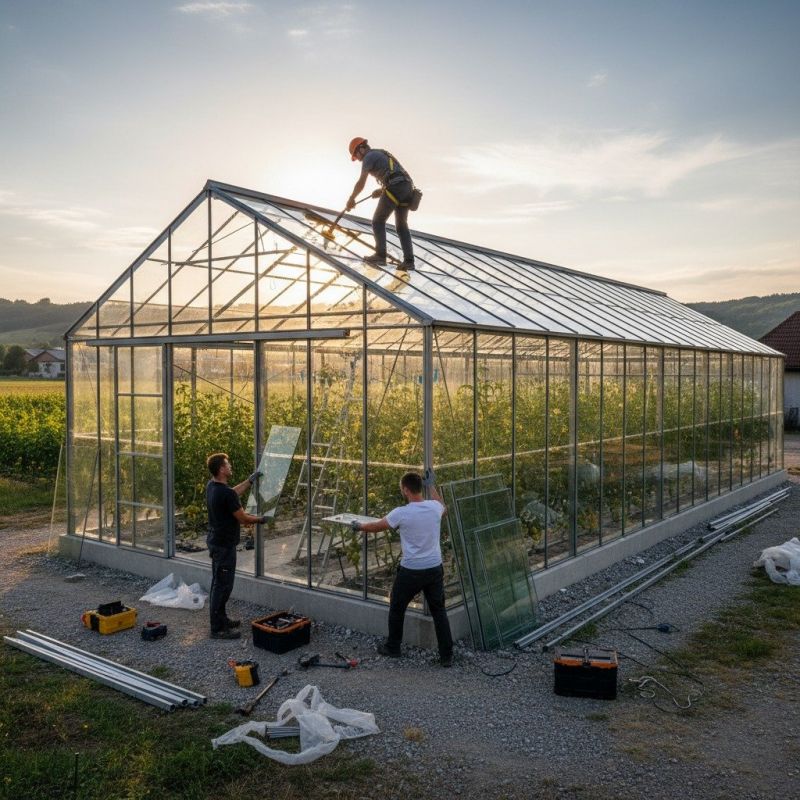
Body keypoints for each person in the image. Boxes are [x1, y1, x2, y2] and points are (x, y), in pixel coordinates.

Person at [351, 470, 453, 667]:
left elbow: (377, 526)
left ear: (406, 490)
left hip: (411, 571)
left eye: (401, 489)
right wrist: (431, 485)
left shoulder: (401, 513)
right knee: (439, 611)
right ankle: (446, 655)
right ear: (419, 488)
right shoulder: (434, 508)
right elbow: (444, 508)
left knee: (397, 606)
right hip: (434, 568)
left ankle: (393, 647)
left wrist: (359, 526)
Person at [205, 453, 267, 640]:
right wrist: (261, 519)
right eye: (228, 464)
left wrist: (249, 482)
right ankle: (217, 628)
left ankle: (222, 619)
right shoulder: (225, 493)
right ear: (222, 469)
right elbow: (242, 518)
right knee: (223, 586)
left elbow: (232, 493)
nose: (230, 466)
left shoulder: (213, 486)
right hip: (224, 545)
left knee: (219, 583)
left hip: (216, 542)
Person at [346, 137, 417, 271]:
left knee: (378, 221)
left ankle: (380, 256)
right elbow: (394, 173)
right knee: (401, 226)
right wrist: (382, 189)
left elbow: (361, 182)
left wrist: (352, 198)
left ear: (361, 148)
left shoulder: (368, 157)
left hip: (395, 187)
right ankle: (409, 261)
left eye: (356, 154)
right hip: (406, 188)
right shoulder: (380, 153)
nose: (358, 158)